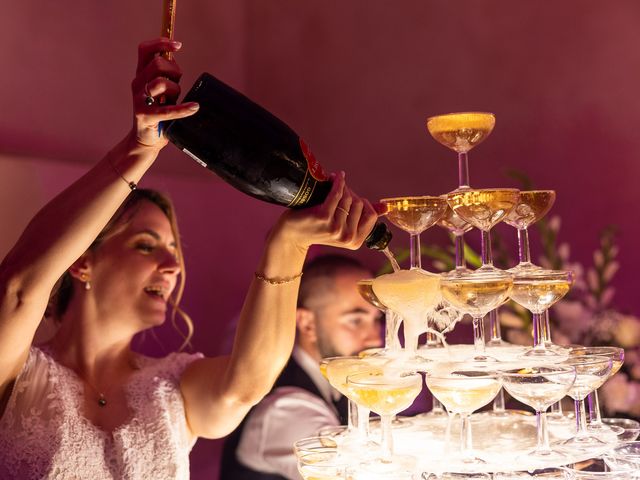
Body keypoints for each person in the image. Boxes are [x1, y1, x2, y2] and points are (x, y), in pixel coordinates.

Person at [0, 38, 381, 479]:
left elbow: (245, 387)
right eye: (146, 244)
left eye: (174, 250)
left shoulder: (172, 386)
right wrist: (139, 148)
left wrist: (289, 242)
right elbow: (16, 289)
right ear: (82, 261)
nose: (172, 265)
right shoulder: (18, 377)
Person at [220, 254, 383, 480]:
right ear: (307, 324)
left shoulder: (340, 383)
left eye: (377, 319)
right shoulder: (285, 409)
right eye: (356, 320)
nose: (375, 339)